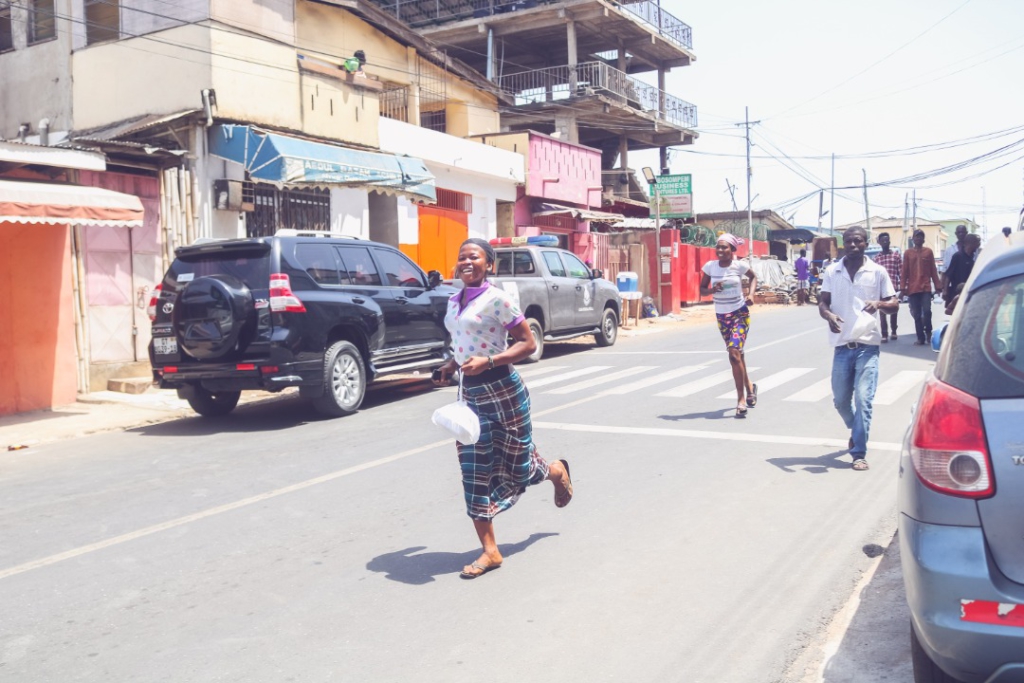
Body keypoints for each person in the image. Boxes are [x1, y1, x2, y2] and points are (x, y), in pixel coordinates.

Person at [432, 238, 573, 579]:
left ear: (489, 265)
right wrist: (452, 365)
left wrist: (490, 361)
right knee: (474, 469)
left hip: (505, 392)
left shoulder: (498, 299)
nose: (467, 261)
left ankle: (555, 471)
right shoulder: (453, 302)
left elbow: (528, 343)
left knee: (519, 465)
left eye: (474, 256)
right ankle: (490, 551)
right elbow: (462, 344)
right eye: (462, 256)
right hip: (471, 397)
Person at [819, 226, 898, 471]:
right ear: (843, 244)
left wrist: (879, 303)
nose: (853, 245)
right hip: (842, 346)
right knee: (841, 401)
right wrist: (829, 315)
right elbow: (823, 302)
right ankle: (856, 429)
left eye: (858, 241)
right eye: (849, 242)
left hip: (868, 346)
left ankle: (858, 453)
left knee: (864, 399)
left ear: (866, 243)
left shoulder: (878, 271)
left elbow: (894, 304)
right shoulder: (833, 270)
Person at [700, 233, 758, 418]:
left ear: (733, 249)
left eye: (724, 247)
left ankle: (741, 400)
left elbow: (753, 277)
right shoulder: (710, 267)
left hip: (739, 313)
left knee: (734, 352)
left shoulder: (739, 265)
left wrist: (751, 294)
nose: (720, 250)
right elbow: (701, 289)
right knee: (737, 355)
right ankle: (750, 387)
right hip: (722, 316)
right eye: (718, 247)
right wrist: (711, 290)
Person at [901, 229, 942, 346]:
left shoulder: (928, 252)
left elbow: (933, 270)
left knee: (927, 311)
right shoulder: (908, 253)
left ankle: (928, 332)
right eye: (916, 237)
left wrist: (938, 286)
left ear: (923, 239)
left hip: (925, 287)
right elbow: (904, 271)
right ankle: (920, 338)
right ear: (913, 239)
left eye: (920, 237)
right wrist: (903, 288)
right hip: (913, 288)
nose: (918, 239)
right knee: (917, 314)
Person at [871, 232, 901, 342]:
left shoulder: (896, 256)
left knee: (894, 311)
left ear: (889, 241)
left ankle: (894, 331)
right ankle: (884, 334)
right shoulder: (876, 258)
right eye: (882, 241)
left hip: (893, 289)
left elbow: (901, 272)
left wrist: (902, 288)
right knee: (882, 312)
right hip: (880, 290)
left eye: (887, 240)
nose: (885, 242)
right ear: (879, 242)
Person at [943, 233, 981, 304]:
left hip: (968, 291)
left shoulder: (972, 258)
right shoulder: (957, 256)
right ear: (971, 243)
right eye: (977, 242)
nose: (979, 244)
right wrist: (945, 291)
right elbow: (948, 275)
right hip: (957, 292)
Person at [939, 224, 968, 301]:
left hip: (968, 282)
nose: (961, 234)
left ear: (966, 233)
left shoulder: (972, 249)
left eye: (963, 232)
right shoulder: (950, 250)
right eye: (959, 232)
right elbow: (945, 269)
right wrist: (944, 289)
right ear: (956, 234)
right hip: (953, 283)